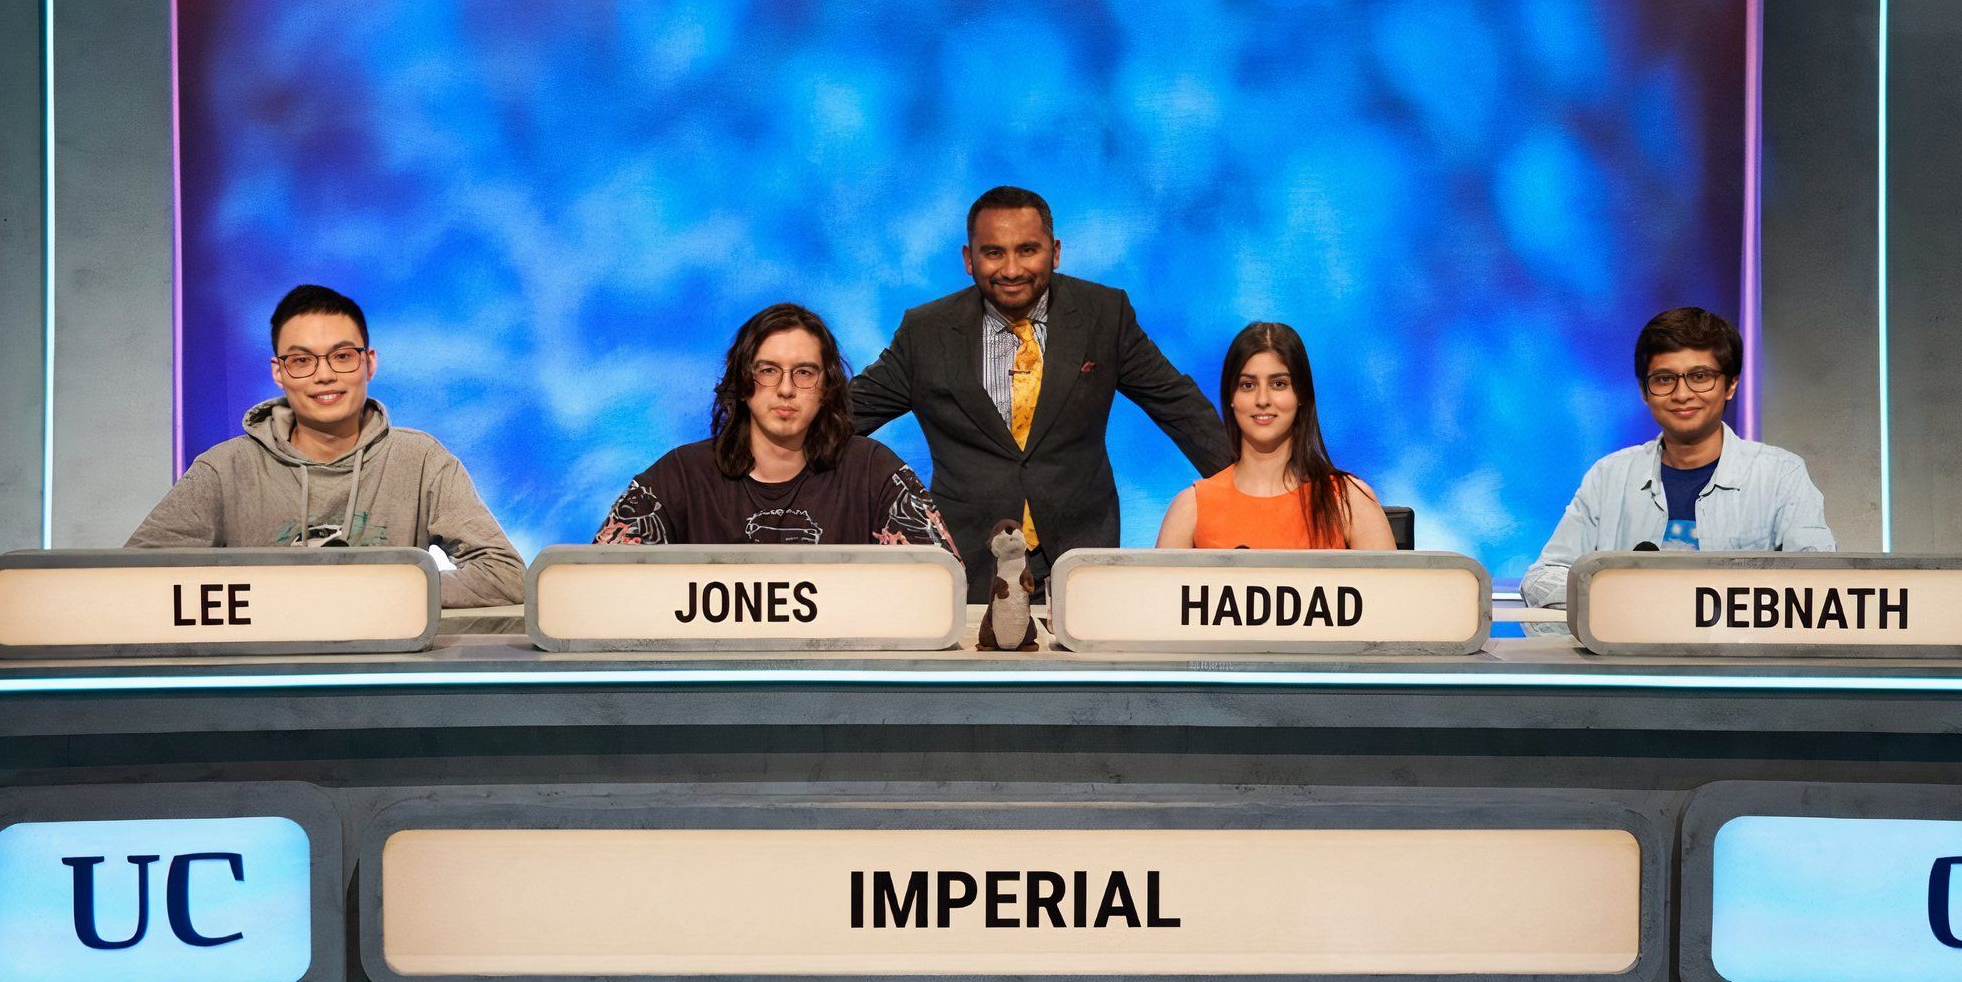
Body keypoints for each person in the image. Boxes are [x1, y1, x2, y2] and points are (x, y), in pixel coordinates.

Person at [850, 186, 1229, 598]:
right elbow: (846, 418)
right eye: (993, 253)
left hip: (1081, 563)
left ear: (1056, 251)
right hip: (967, 566)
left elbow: (1181, 408)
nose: (1011, 269)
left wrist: (1264, 491)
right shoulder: (926, 332)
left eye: (1027, 250)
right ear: (968, 259)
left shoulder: (1104, 314)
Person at [127, 284, 526, 608]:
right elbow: (130, 581)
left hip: (387, 680)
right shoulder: (224, 469)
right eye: (302, 361)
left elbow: (506, 576)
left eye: (342, 356)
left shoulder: (420, 460)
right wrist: (265, 599)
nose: (324, 375)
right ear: (279, 372)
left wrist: (384, 592)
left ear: (369, 363)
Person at [1519, 306, 1834, 609]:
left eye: (1699, 376)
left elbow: (1820, 585)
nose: (1682, 394)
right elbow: (1542, 577)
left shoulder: (1780, 475)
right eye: (1664, 379)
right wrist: (1617, 594)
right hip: (1628, 660)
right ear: (1645, 391)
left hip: (1740, 661)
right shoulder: (1609, 476)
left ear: (1731, 384)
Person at [593, 302, 958, 554]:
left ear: (826, 387)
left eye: (804, 372)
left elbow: (941, 586)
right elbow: (599, 584)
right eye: (768, 371)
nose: (785, 388)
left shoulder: (875, 473)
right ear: (743, 382)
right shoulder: (681, 476)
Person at [1154, 322, 1396, 550]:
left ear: (1300, 394)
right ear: (1231, 398)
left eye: (1278, 384)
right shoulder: (1190, 509)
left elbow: (1392, 593)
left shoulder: (1347, 501)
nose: (1262, 400)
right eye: (1247, 385)